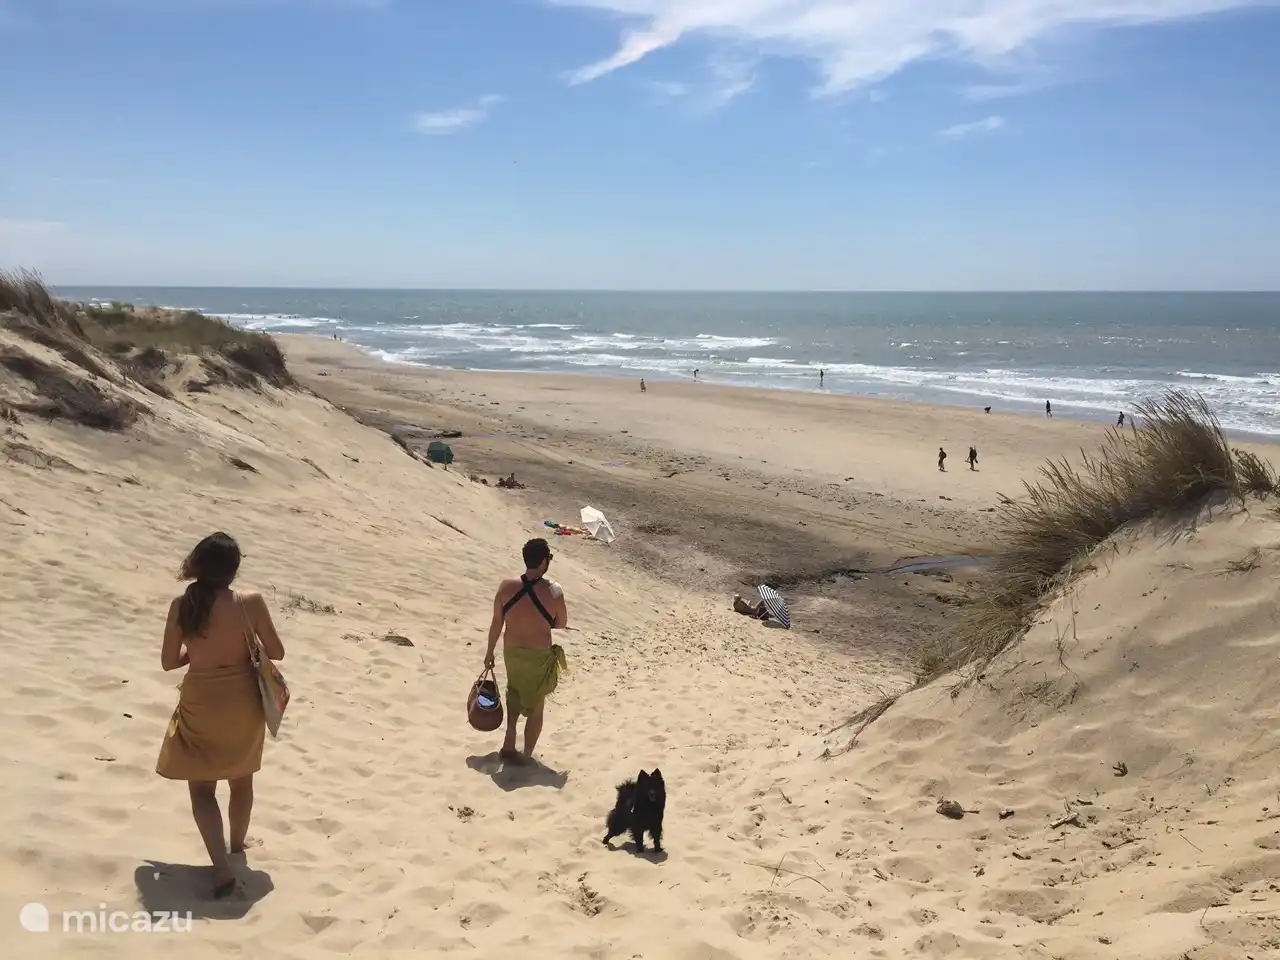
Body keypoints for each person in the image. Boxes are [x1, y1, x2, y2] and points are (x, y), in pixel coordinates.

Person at [155, 532, 285, 898]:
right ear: (234, 568)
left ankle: (221, 867)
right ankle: (237, 845)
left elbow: (168, 663)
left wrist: (196, 654)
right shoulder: (251, 602)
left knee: (202, 787)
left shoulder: (183, 605)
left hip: (201, 698)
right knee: (242, 778)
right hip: (243, 698)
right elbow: (276, 650)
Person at [484, 538, 568, 765]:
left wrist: (489, 652)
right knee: (537, 703)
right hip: (539, 657)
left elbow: (496, 623)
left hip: (512, 651)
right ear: (542, 562)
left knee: (514, 692)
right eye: (549, 558)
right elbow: (561, 623)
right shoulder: (553, 590)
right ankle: (527, 754)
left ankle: (508, 743)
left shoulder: (505, 587)